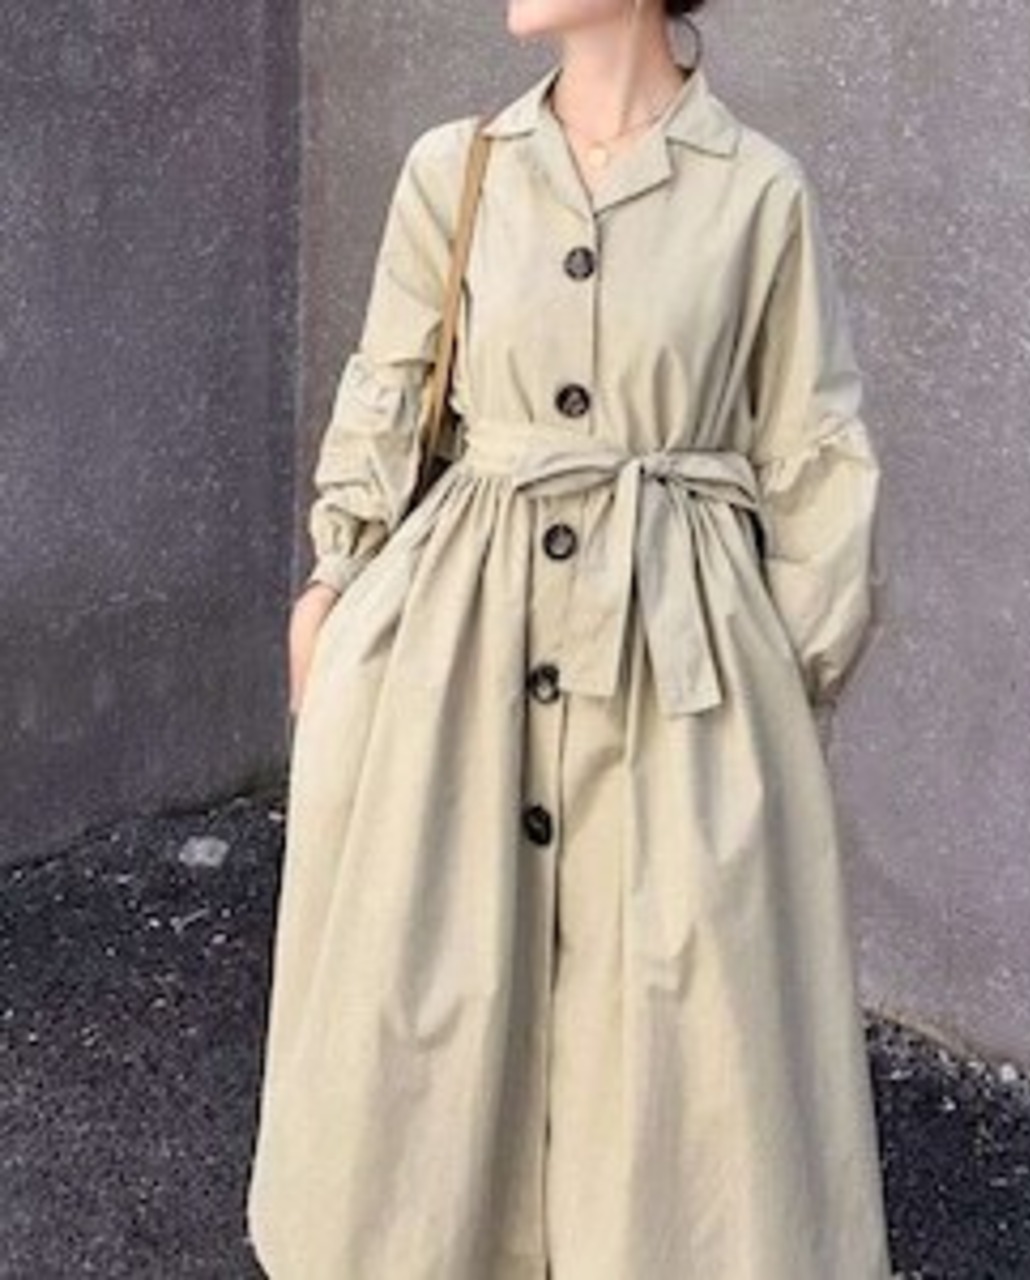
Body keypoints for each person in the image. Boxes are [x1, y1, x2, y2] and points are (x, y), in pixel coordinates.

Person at [245, 0, 893, 1275]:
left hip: (675, 656)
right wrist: (331, 581)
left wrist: (785, 680)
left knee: (669, 1024)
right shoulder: (457, 168)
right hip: (458, 643)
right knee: (433, 1000)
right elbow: (389, 387)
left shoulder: (756, 190)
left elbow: (814, 450)